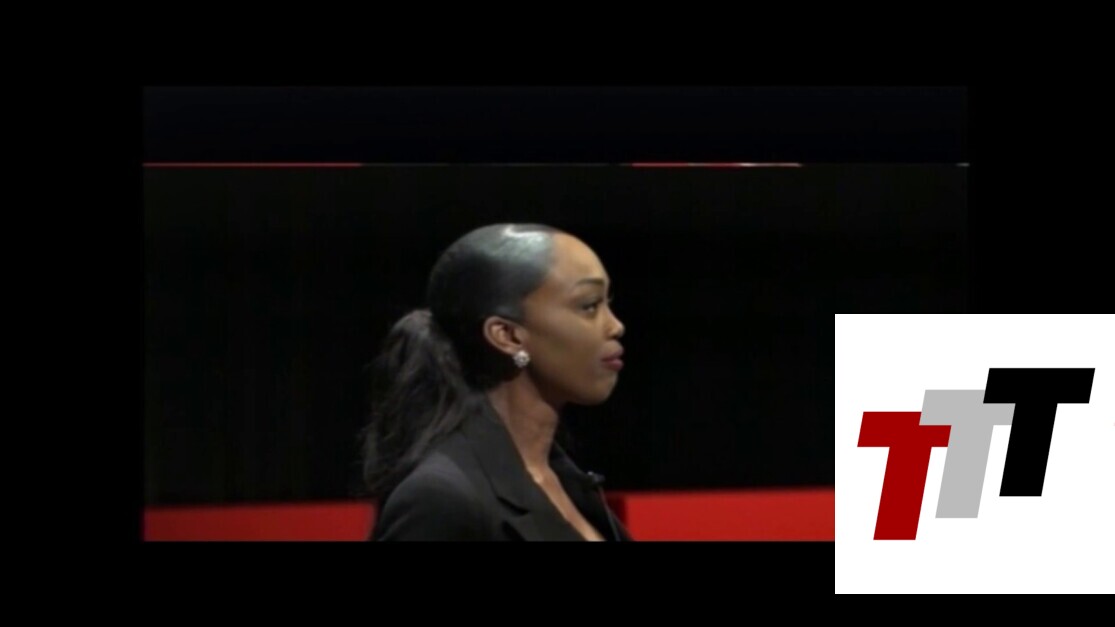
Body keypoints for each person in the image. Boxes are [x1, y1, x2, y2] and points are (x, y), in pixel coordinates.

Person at [359, 223, 632, 541]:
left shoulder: (568, 482)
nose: (616, 326)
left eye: (608, 302)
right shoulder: (440, 501)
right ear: (508, 336)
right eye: (589, 306)